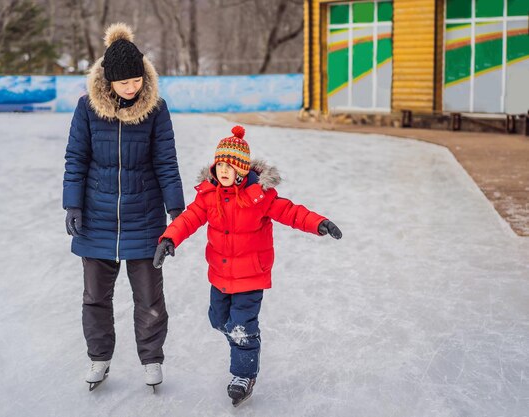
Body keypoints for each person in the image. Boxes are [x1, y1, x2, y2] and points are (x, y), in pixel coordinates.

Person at [152, 125, 342, 405]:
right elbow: (189, 218)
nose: (224, 170)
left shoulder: (259, 197)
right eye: (220, 165)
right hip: (220, 274)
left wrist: (319, 223)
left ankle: (244, 374)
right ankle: (245, 341)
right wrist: (169, 238)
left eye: (231, 166)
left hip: (251, 275)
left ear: (242, 170)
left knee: (241, 328)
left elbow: (291, 212)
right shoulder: (208, 195)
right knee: (219, 321)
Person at [63, 22, 185, 391]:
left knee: (149, 297)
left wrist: (177, 211)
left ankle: (151, 360)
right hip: (96, 216)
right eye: (124, 83)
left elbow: (166, 160)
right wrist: (73, 205)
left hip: (144, 217)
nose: (132, 89)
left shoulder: (155, 110)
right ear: (108, 82)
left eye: (137, 81)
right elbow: (76, 158)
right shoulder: (87, 108)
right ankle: (99, 359)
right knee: (95, 297)